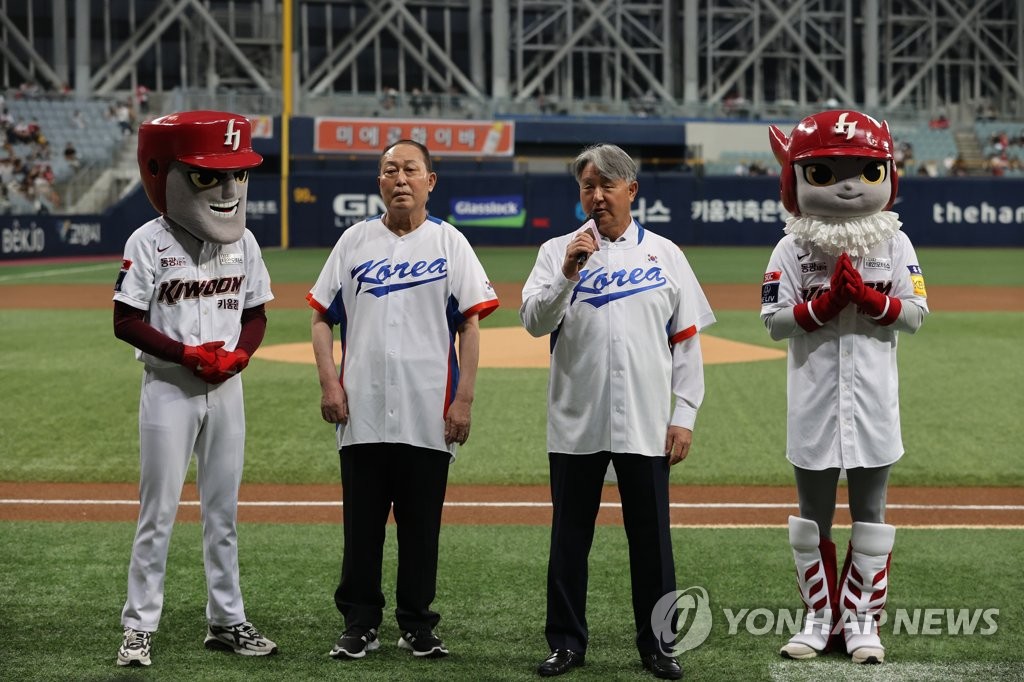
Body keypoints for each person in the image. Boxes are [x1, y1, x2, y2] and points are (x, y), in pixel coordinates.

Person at [521, 143, 715, 680]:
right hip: (576, 420)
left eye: (608, 185)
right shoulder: (556, 250)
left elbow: (687, 343)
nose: (597, 195)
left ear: (632, 190)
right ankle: (565, 643)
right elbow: (535, 323)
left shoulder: (666, 254)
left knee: (652, 541)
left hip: (648, 422)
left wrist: (686, 414)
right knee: (569, 540)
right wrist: (566, 273)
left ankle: (658, 646)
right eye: (588, 186)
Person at [308, 139, 498, 662]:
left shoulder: (449, 243)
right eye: (390, 170)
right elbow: (321, 316)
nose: (400, 179)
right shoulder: (354, 241)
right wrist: (329, 383)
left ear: (429, 181)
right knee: (361, 527)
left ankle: (417, 623)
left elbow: (471, 324)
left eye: (411, 169)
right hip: (361, 410)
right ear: (379, 183)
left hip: (426, 413)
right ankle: (359, 623)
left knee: (421, 529)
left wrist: (464, 400)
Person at [112, 111, 278, 667]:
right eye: (210, 176)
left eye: (237, 175)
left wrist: (240, 355)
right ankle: (138, 628)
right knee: (157, 512)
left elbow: (254, 313)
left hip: (225, 389)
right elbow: (125, 320)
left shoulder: (245, 242)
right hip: (169, 388)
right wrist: (185, 354)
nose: (229, 189)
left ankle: (226, 621)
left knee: (223, 513)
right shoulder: (148, 240)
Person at [763, 110, 929, 665]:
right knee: (812, 514)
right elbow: (774, 319)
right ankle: (817, 620)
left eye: (865, 171)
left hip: (874, 402)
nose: (849, 185)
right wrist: (822, 308)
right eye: (826, 173)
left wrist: (875, 302)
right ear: (798, 180)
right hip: (813, 401)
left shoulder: (895, 244)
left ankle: (862, 624)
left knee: (871, 510)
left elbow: (917, 313)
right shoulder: (791, 249)